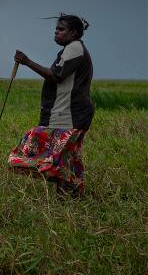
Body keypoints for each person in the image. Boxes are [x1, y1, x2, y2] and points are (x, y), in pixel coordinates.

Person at [10, 14, 94, 196]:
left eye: (61, 29)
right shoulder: (71, 49)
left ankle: (67, 196)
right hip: (68, 113)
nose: (56, 32)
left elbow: (56, 75)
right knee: (66, 158)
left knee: (41, 143)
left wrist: (27, 61)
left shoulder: (74, 48)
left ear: (73, 32)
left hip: (72, 114)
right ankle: (68, 198)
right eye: (56, 28)